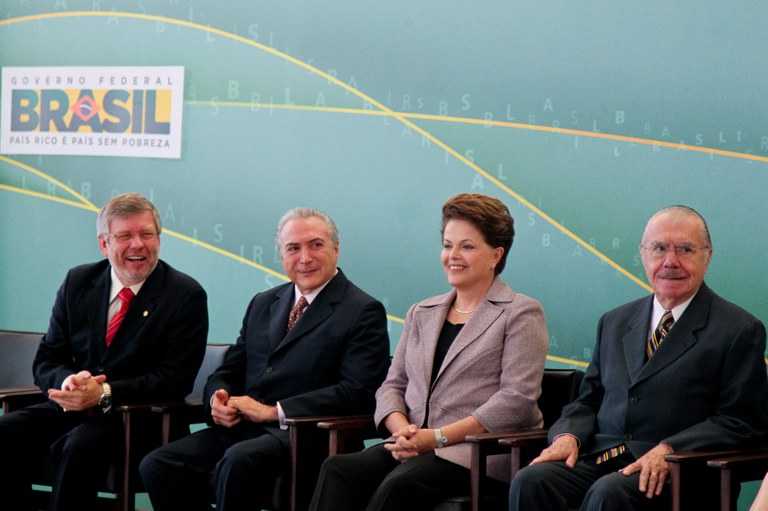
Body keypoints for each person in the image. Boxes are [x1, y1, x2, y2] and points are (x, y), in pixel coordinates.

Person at [509, 205, 768, 511]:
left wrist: (671, 448)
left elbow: (741, 421)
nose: (670, 261)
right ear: (643, 254)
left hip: (680, 469)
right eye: (659, 249)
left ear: (707, 255)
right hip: (603, 457)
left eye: (685, 249)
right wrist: (567, 436)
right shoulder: (615, 321)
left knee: (609, 493)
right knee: (532, 480)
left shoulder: (738, 329)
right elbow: (588, 400)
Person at [308, 193, 549, 511]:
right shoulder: (422, 312)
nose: (453, 256)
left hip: (476, 453)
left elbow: (516, 401)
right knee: (337, 469)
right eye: (448, 245)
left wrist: (436, 437)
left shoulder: (520, 312)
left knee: (398, 485)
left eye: (467, 246)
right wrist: (403, 431)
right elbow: (392, 386)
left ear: (495, 255)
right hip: (413, 443)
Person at [139, 206, 390, 511]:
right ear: (282, 257)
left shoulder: (362, 310)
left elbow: (358, 391)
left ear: (336, 249)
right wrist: (217, 399)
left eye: (316, 245)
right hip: (243, 429)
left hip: (307, 435)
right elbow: (231, 367)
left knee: (238, 460)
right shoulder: (264, 302)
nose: (305, 258)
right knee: (159, 464)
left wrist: (274, 412)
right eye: (293, 248)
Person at [0, 192, 209, 511]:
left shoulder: (185, 294)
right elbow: (47, 358)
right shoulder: (79, 281)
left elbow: (175, 380)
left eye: (146, 234)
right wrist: (69, 381)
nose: (138, 244)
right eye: (125, 236)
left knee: (79, 446)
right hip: (70, 409)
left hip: (135, 420)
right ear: (104, 243)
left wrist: (104, 393)